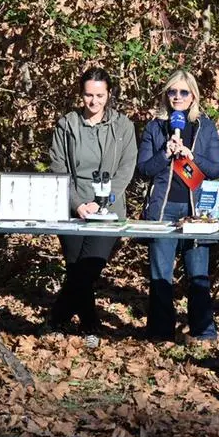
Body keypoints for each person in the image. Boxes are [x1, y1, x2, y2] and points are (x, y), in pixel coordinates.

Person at [48, 68, 137, 347]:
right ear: (81, 94)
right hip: (73, 207)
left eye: (100, 95)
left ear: (109, 94)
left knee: (86, 269)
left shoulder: (123, 126)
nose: (94, 101)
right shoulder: (67, 124)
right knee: (75, 268)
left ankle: (57, 317)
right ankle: (89, 326)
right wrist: (77, 204)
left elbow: (126, 168)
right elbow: (58, 168)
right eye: (89, 95)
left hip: (109, 210)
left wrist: (104, 202)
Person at [136, 69, 219, 342]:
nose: (177, 97)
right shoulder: (155, 127)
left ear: (193, 96)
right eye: (172, 92)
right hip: (162, 210)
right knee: (161, 277)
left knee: (198, 275)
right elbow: (143, 169)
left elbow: (216, 169)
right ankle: (161, 333)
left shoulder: (205, 127)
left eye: (183, 92)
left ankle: (204, 332)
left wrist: (191, 155)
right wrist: (166, 153)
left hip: (196, 213)